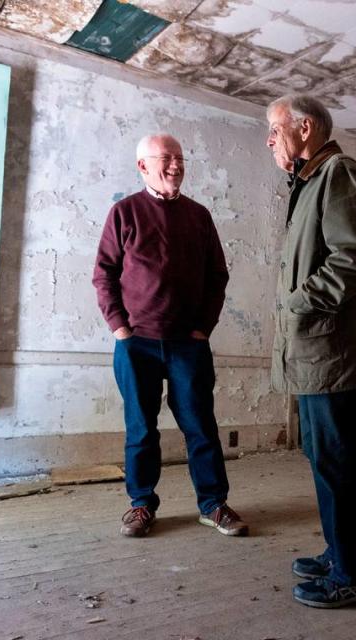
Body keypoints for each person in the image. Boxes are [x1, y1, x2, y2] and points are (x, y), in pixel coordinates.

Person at [93, 133, 248, 539]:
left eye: (180, 158)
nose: (176, 165)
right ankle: (141, 504)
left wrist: (203, 328)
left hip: (188, 344)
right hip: (136, 344)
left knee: (201, 426)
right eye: (167, 158)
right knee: (141, 428)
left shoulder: (199, 216)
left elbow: (218, 275)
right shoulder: (123, 213)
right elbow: (104, 273)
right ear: (143, 166)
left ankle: (213, 504)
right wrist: (120, 328)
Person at [265, 95, 356, 608]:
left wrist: (298, 304)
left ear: (304, 128)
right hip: (316, 356)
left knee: (340, 466)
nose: (270, 139)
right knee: (326, 461)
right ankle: (342, 553)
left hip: (332, 354)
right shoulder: (309, 181)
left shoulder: (338, 173)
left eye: (274, 129)